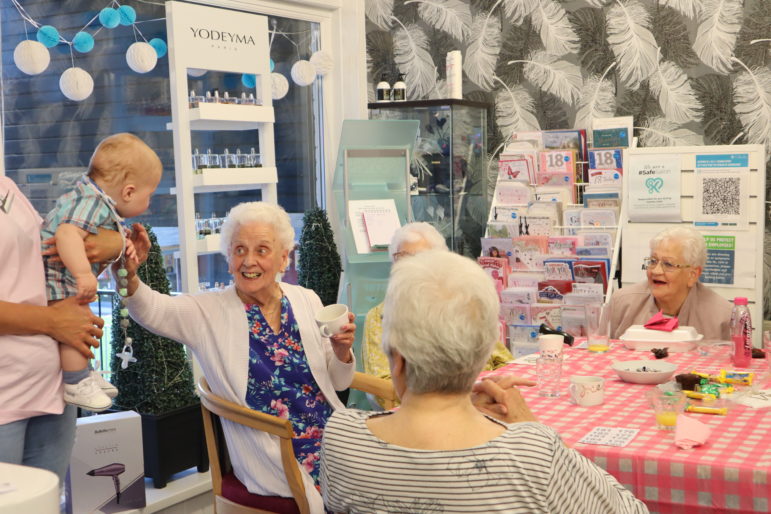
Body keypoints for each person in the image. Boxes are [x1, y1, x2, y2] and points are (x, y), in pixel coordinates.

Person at [320, 251, 648, 513]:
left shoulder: (341, 438)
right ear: (483, 355)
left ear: (398, 359)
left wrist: (460, 410)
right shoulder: (533, 454)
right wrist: (530, 425)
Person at [119, 201, 355, 513]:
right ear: (228, 258)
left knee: (384, 472)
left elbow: (337, 382)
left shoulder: (306, 300)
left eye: (262, 250)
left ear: (284, 257)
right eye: (239, 249)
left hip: (330, 434)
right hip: (270, 448)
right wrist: (129, 274)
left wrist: (341, 352)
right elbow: (152, 309)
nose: (249, 261)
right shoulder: (209, 312)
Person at [0, 174, 121, 487]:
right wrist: (52, 321)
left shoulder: (6, 187)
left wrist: (114, 243)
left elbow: (50, 253)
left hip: (51, 389)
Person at [41, 133, 162, 412]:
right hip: (57, 277)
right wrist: (84, 274)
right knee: (76, 324)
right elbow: (68, 233)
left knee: (83, 320)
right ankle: (75, 381)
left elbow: (98, 241)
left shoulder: (97, 200)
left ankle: (83, 371)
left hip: (61, 275)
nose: (150, 202)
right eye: (149, 195)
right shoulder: (93, 202)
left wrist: (123, 246)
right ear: (129, 192)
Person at [362, 223, 512, 403]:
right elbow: (384, 391)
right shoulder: (382, 315)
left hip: (483, 403)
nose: (413, 269)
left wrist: (488, 390)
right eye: (403, 259)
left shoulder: (461, 305)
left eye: (424, 259)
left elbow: (504, 362)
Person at [607, 226, 732, 340]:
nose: (656, 271)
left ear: (692, 275)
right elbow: (600, 354)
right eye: (653, 261)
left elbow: (741, 360)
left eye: (668, 264)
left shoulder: (723, 315)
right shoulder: (622, 302)